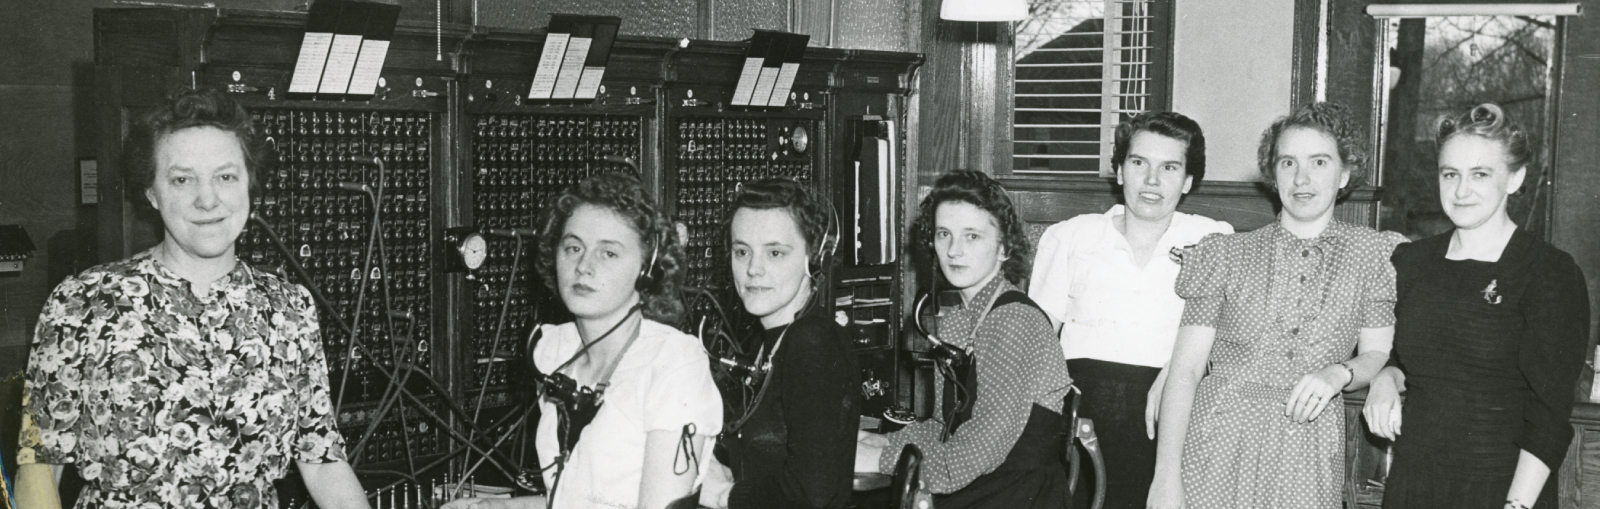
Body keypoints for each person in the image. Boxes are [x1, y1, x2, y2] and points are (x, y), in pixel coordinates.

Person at [21, 88, 370, 509]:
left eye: (225, 177)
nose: (207, 200)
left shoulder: (289, 308)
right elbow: (39, 465)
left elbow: (323, 461)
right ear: (151, 192)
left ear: (249, 186)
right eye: (182, 179)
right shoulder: (82, 303)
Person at [1147, 102, 1407, 509]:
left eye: (1318, 162)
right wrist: (1165, 478)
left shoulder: (1372, 254)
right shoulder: (1225, 254)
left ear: (1344, 174)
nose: (1301, 178)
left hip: (1308, 444)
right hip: (1216, 438)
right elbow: (1186, 368)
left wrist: (1338, 374)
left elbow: (1378, 351)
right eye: (1288, 163)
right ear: (1273, 175)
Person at [445, 171, 722, 509]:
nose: (583, 267)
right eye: (573, 247)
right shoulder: (554, 352)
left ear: (647, 269)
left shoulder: (673, 363)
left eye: (609, 253)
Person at [1363, 104, 1590, 509]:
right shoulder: (1412, 262)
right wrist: (1386, 377)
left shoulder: (1548, 273)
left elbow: (1549, 414)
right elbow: (1402, 355)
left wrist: (1516, 506)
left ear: (1515, 178)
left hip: (1501, 488)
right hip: (1414, 484)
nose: (1461, 191)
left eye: (1480, 174)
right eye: (1450, 174)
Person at [1028, 111, 1232, 509]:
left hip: (1171, 413)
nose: (1152, 180)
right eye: (1139, 163)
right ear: (1120, 171)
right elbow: (1037, 343)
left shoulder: (1211, 239)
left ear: (1188, 180)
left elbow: (1225, 339)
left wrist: (1174, 371)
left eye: (1169, 167)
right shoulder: (1071, 236)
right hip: (1080, 414)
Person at [856, 170, 1073, 509]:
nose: (954, 251)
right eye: (944, 234)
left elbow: (972, 455)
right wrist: (878, 441)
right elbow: (946, 429)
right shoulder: (961, 319)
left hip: (1016, 496)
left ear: (1003, 248)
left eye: (972, 237)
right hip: (987, 485)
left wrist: (883, 461)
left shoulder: (1014, 321)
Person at [697, 178, 859, 509]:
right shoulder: (766, 339)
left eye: (775, 252)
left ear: (813, 259)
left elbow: (810, 493)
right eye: (742, 251)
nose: (753, 269)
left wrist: (722, 496)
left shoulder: (812, 340)